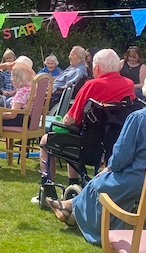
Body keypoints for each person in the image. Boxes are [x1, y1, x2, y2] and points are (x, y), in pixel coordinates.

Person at [45, 67, 146, 241]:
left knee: (99, 182)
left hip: (139, 181)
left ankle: (72, 212)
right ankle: (68, 207)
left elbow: (120, 157)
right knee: (102, 179)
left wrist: (108, 168)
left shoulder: (140, 118)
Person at [38, 48, 134, 182]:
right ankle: (73, 183)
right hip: (115, 143)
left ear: (97, 68)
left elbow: (70, 119)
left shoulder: (91, 85)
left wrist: (64, 119)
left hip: (89, 144)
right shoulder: (129, 85)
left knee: (46, 140)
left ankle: (48, 185)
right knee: (78, 134)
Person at [0, 59, 36, 133]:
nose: (11, 79)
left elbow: (12, 115)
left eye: (12, 76)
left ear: (17, 78)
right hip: (30, 121)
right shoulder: (34, 88)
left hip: (20, 121)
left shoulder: (22, 92)